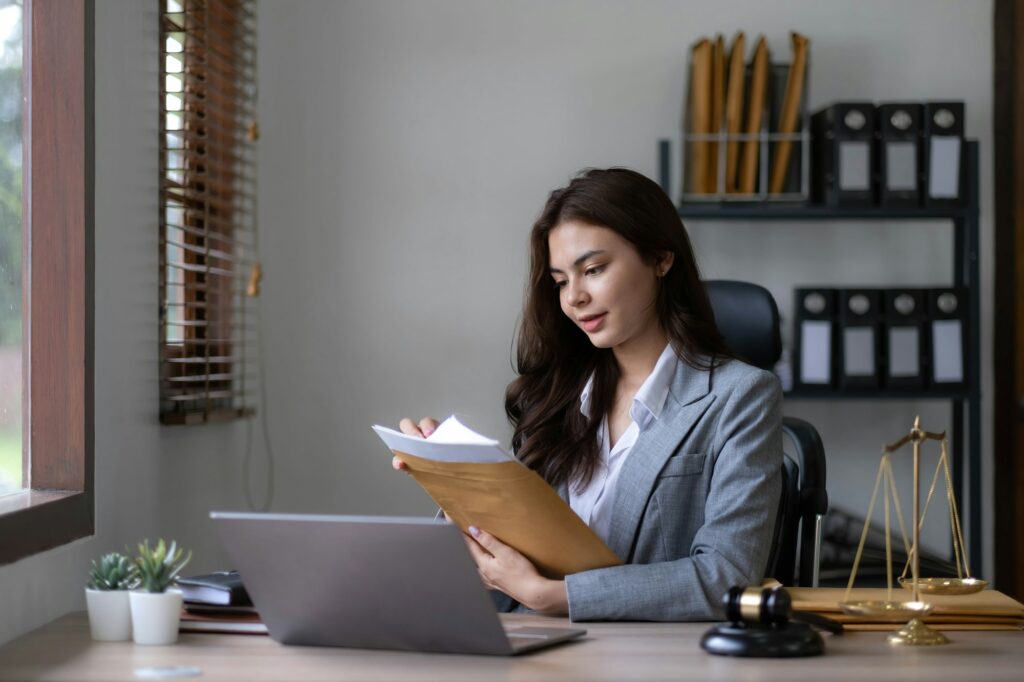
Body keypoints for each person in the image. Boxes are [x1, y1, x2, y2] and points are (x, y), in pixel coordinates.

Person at [395, 167, 782, 622]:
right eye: (560, 281)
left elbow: (727, 576)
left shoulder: (740, 396)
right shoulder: (559, 396)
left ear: (660, 258)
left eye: (593, 270)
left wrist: (555, 598)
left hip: (655, 662)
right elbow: (511, 582)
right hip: (541, 652)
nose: (573, 298)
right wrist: (456, 483)